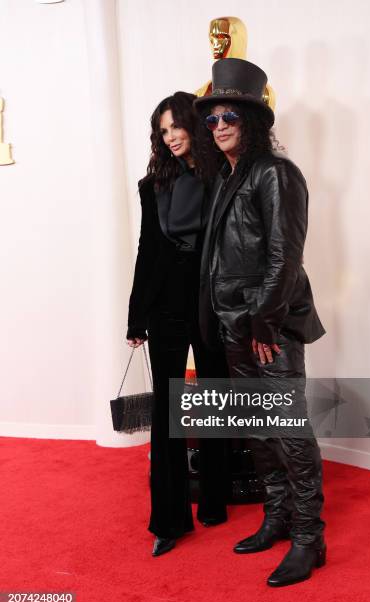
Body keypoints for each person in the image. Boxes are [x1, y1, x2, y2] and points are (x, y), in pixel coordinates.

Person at [194, 59, 326, 587]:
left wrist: (264, 324)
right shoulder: (230, 178)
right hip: (235, 323)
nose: (220, 124)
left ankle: (309, 538)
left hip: (267, 325)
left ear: (253, 120)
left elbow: (283, 258)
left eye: (231, 114)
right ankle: (275, 517)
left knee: (289, 429)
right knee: (256, 426)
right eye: (212, 117)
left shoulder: (276, 173)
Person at [126, 91, 229, 557]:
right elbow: (148, 251)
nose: (170, 137)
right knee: (168, 414)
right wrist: (136, 315)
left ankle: (213, 498)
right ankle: (168, 519)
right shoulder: (153, 185)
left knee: (215, 396)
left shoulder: (222, 176)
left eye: (176, 127)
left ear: (193, 123)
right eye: (162, 131)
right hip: (165, 302)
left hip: (211, 301)